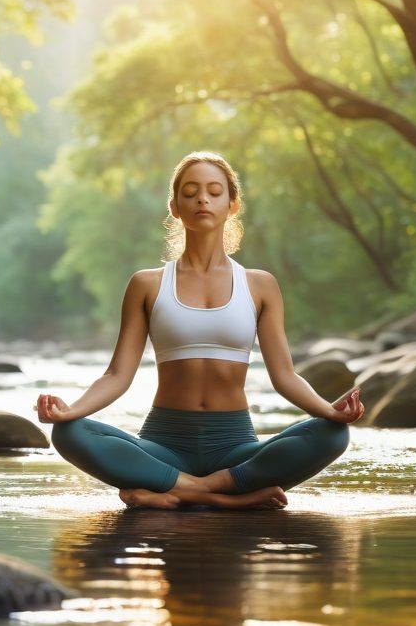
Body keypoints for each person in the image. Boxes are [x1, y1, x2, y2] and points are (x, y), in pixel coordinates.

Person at [36, 150, 364, 510]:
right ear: (175, 206)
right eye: (190, 193)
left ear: (232, 204)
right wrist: (71, 411)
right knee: (69, 432)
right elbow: (117, 374)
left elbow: (285, 375)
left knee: (333, 434)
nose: (202, 199)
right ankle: (227, 500)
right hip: (163, 446)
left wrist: (329, 411)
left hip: (235, 449)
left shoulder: (259, 285)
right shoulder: (146, 284)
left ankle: (186, 491)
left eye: (214, 191)